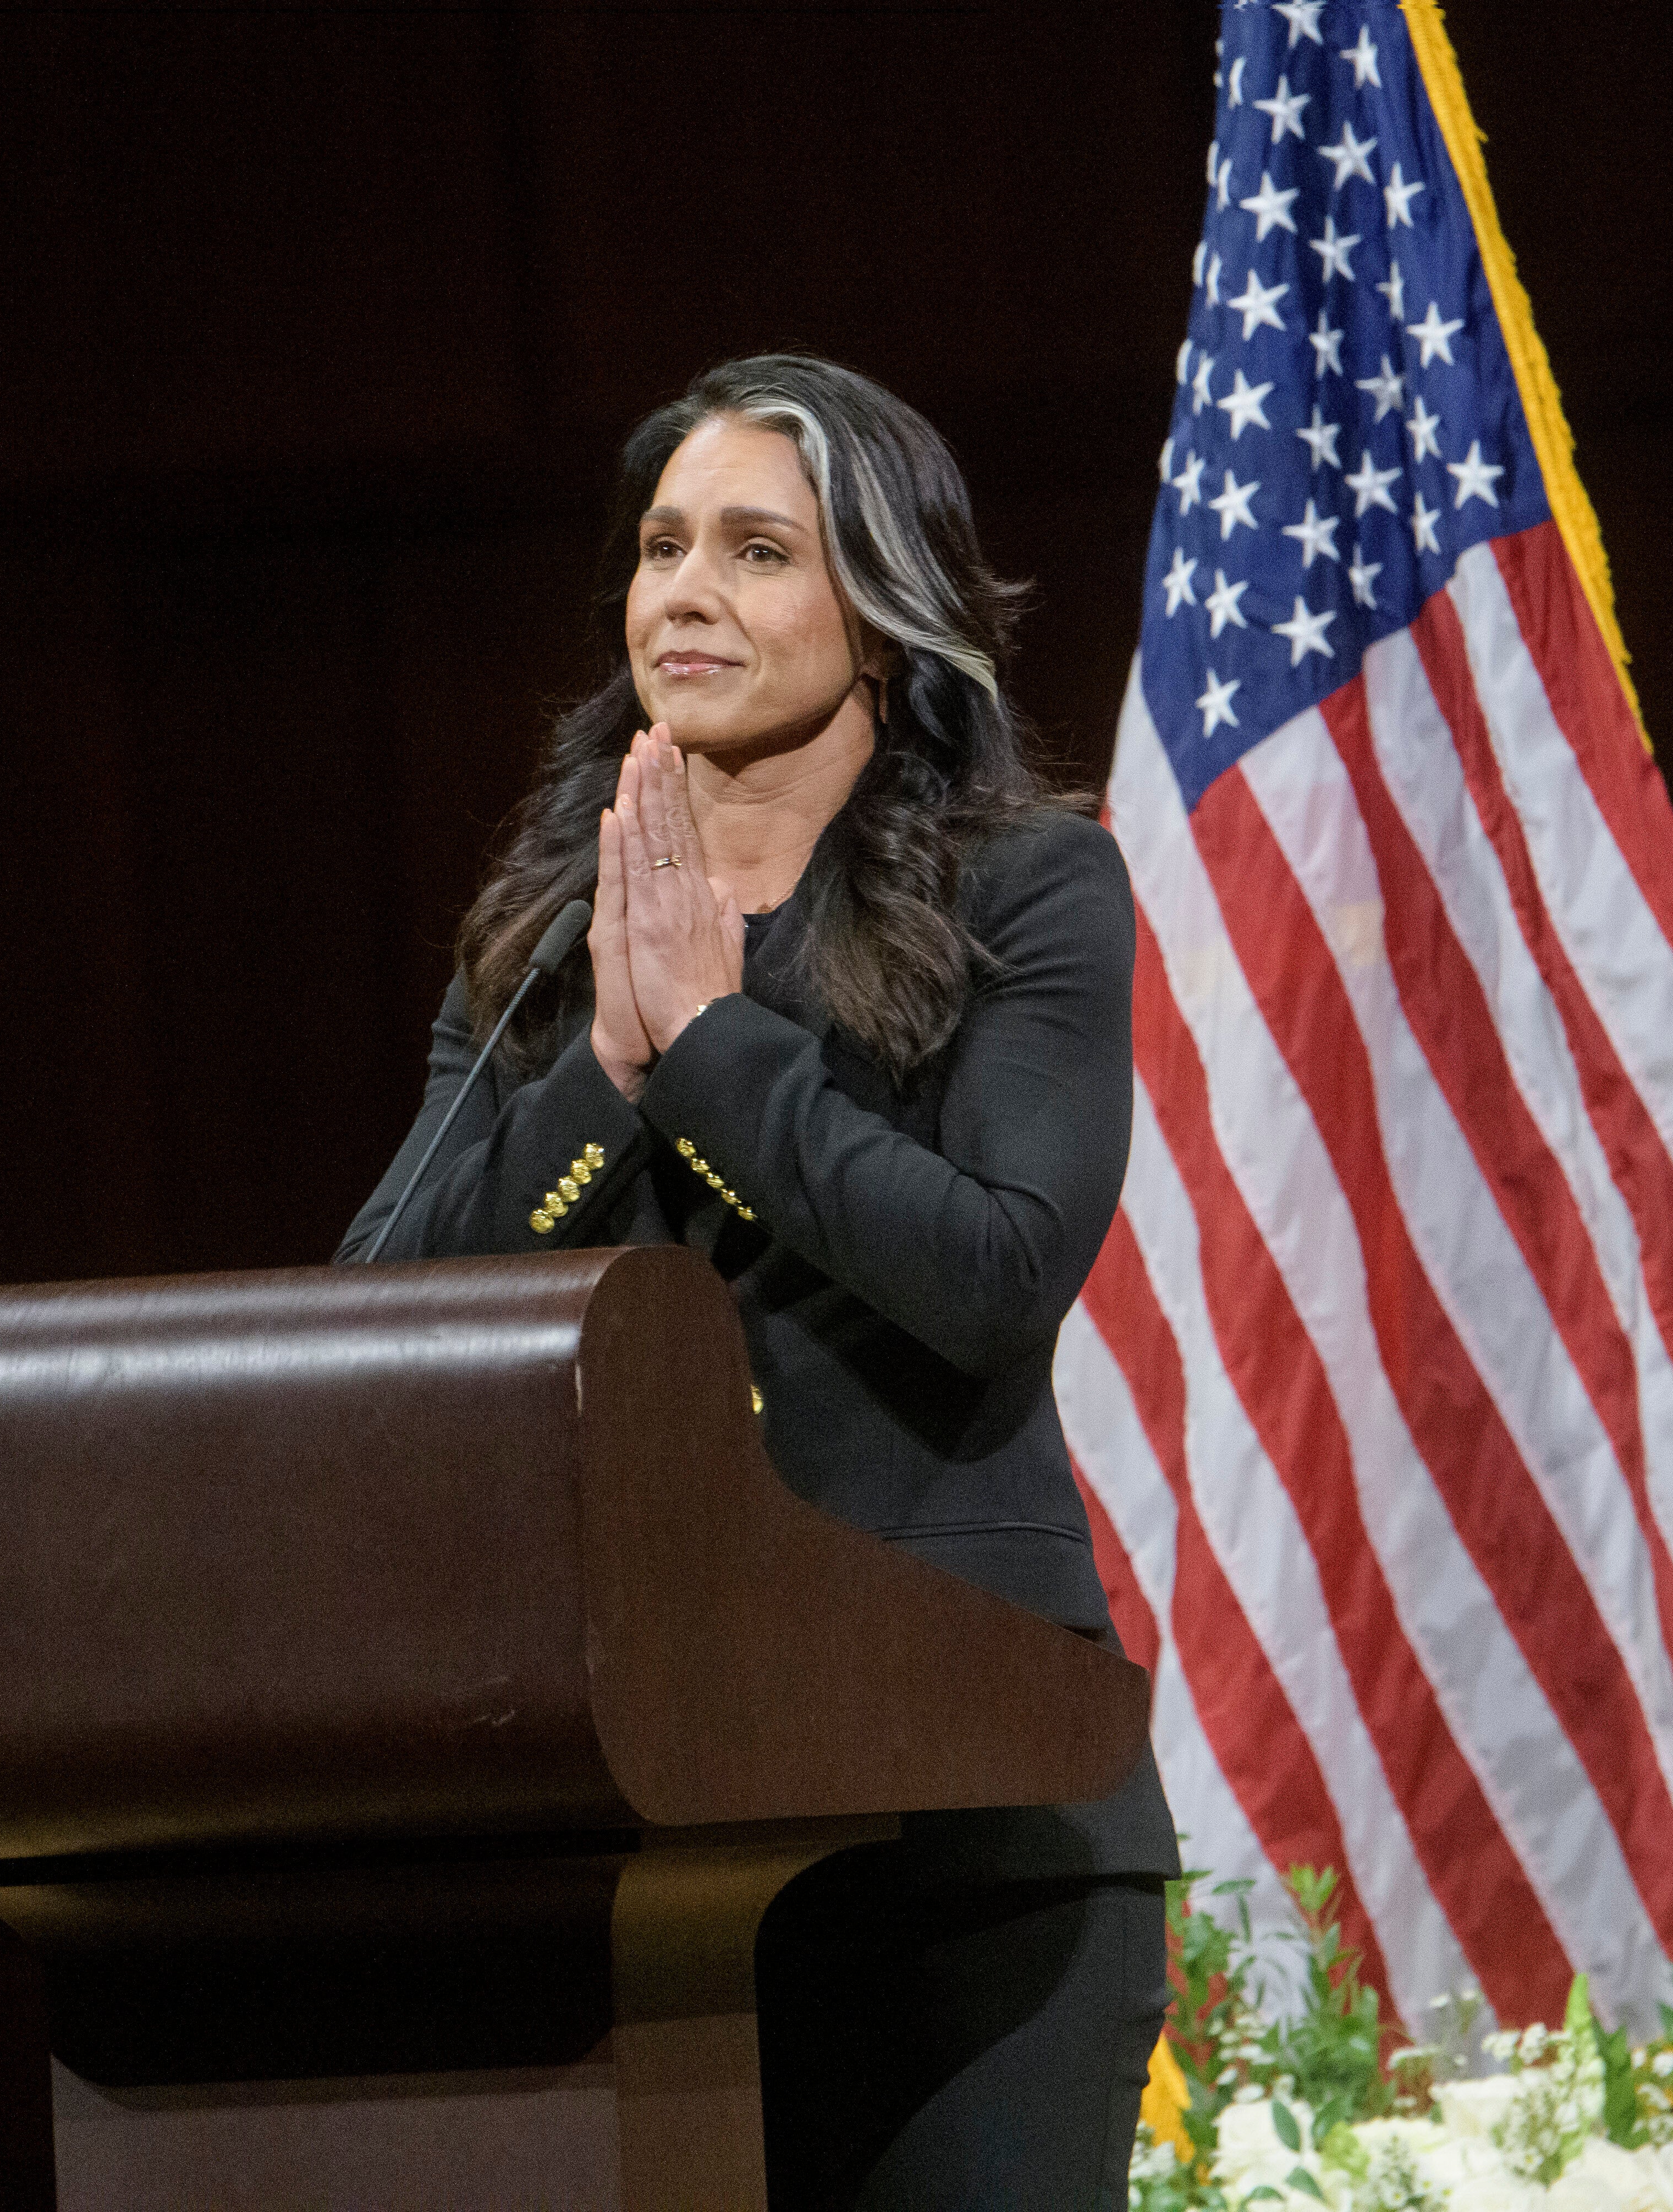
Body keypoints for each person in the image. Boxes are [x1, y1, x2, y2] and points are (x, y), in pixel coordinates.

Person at [342, 354, 1179, 2209]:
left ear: (882, 613)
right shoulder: (543, 946)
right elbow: (380, 1326)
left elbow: (993, 1270)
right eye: (659, 549)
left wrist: (719, 1050)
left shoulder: (1029, 891)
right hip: (635, 1852)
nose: (685, 593)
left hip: (971, 1841)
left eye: (755, 549)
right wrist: (606, 1073)